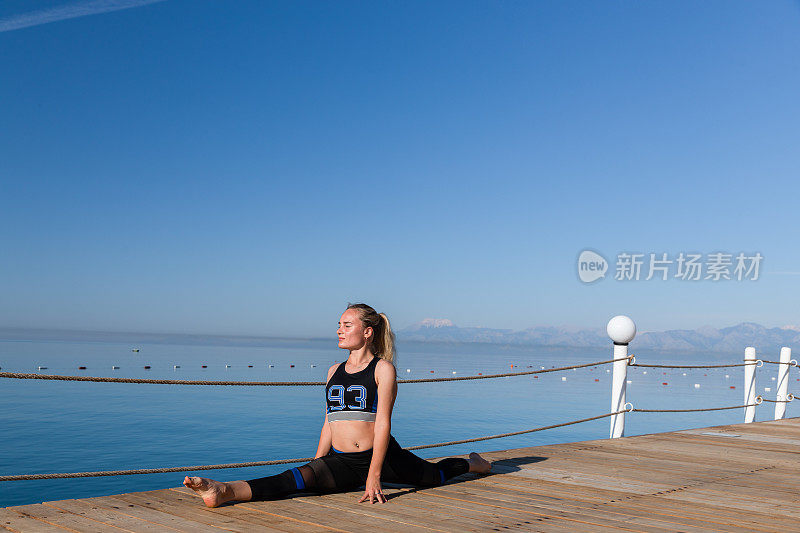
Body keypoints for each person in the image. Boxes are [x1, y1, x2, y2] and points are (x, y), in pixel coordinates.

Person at [183, 303, 491, 507]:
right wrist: (317, 463)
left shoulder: (383, 369)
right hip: (341, 459)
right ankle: (223, 491)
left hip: (381, 458)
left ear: (367, 332)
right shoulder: (333, 371)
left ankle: (475, 462)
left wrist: (374, 475)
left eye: (346, 325)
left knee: (434, 477)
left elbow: (383, 424)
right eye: (338, 325)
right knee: (295, 479)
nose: (339, 330)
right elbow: (329, 421)